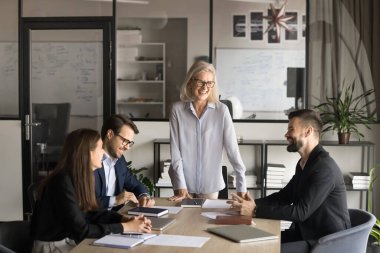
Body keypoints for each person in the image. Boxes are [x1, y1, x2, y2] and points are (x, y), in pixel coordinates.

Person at [229, 109, 351, 253]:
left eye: (291, 129)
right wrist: (253, 204)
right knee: (253, 240)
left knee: (260, 247)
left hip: (324, 242)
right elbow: (285, 196)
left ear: (308, 131)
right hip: (305, 233)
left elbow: (300, 212)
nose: (286, 135)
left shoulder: (324, 168)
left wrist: (255, 210)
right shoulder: (305, 163)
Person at [31, 129, 152, 253]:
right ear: (87, 153)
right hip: (51, 247)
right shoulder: (62, 181)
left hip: (70, 242)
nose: (104, 153)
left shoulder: (81, 178)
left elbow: (94, 213)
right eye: (100, 148)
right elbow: (82, 231)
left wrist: (125, 220)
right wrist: (125, 227)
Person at [168, 60, 247, 201]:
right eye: (200, 82)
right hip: (183, 183)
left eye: (209, 83)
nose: (205, 87)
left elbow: (233, 150)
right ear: (190, 82)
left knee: (205, 222)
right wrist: (181, 184)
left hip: (210, 186)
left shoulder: (222, 111)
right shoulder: (177, 110)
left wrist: (242, 185)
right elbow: (175, 152)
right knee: (183, 221)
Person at [94, 114, 155, 210]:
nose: (127, 147)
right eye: (125, 141)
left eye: (130, 143)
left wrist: (143, 196)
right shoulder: (91, 161)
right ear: (110, 134)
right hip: (96, 221)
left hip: (116, 217)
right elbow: (87, 201)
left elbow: (135, 184)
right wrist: (115, 200)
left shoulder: (120, 161)